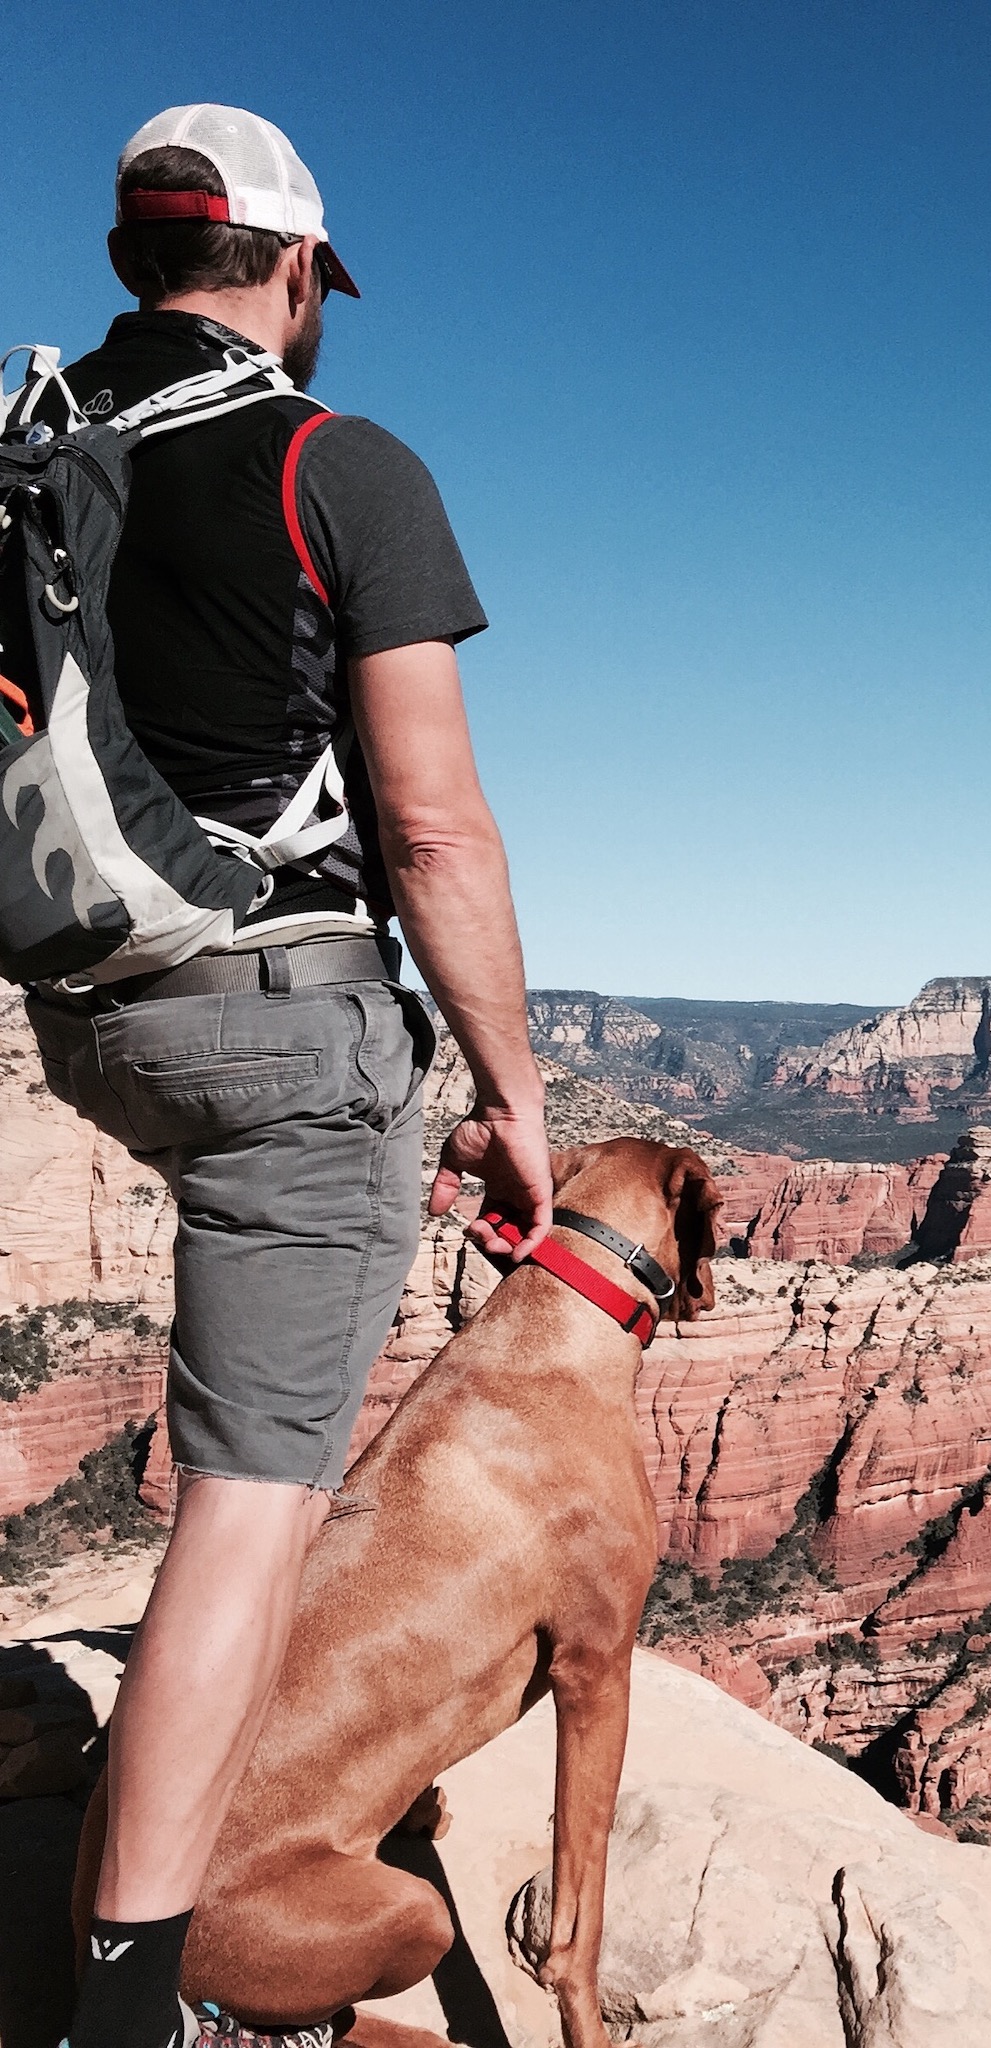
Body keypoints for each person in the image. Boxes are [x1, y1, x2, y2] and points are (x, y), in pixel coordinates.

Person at [20, 105, 552, 2048]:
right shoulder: (340, 460)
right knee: (248, 1514)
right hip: (280, 1021)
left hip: (89, 1005)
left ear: (133, 257)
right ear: (299, 269)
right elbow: (434, 829)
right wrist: (511, 1089)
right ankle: (129, 2005)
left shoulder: (38, 451)